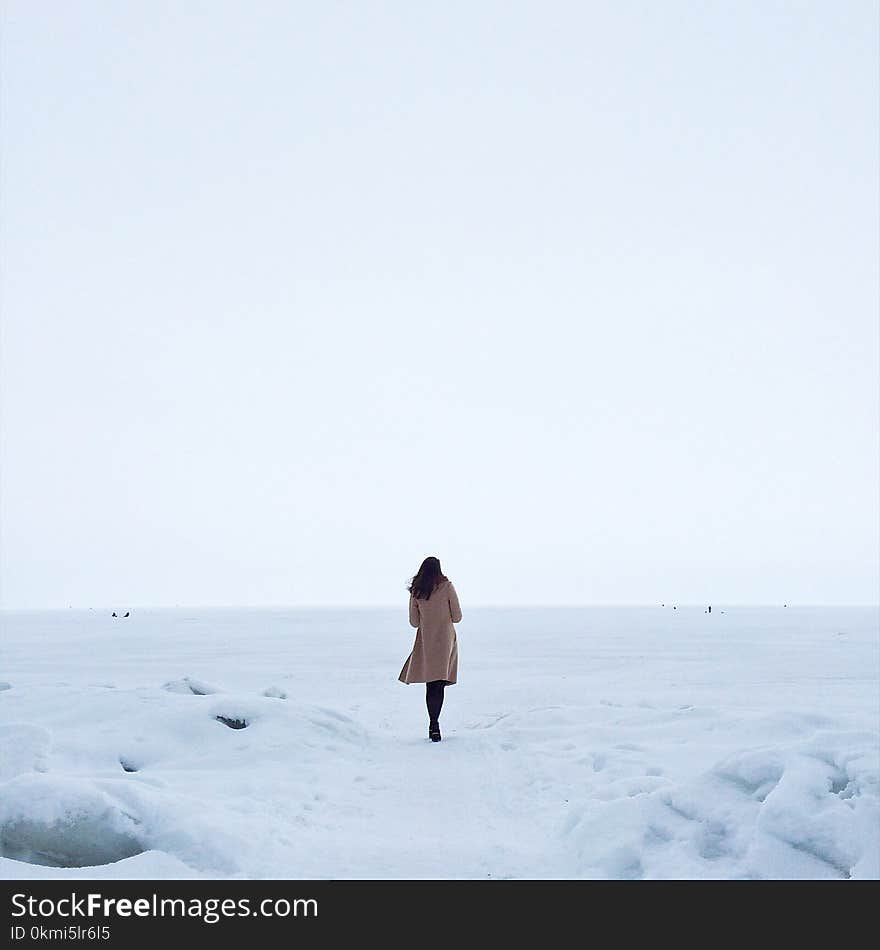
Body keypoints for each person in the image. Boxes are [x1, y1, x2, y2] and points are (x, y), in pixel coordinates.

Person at [398, 556, 462, 742]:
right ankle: (435, 724)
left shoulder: (417, 591)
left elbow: (414, 622)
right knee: (439, 682)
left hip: (426, 640)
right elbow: (457, 617)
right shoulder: (447, 586)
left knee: (430, 683)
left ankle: (433, 724)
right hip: (445, 640)